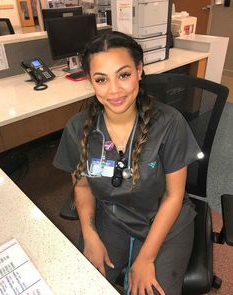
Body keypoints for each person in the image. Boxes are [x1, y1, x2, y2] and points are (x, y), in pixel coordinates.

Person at [53, 31, 201, 295]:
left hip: (165, 220)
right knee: (81, 283)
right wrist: (90, 234)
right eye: (101, 79)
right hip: (113, 216)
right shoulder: (78, 128)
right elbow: (83, 187)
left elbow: (173, 196)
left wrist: (146, 257)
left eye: (123, 75)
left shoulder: (169, 123)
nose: (114, 90)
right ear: (91, 81)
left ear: (139, 70)